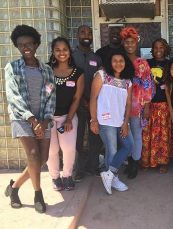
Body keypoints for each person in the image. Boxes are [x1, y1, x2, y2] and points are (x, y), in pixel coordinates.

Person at [4, 25, 56, 213]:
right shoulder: (12, 68)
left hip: (43, 119)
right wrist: (32, 119)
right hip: (22, 118)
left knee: (41, 159)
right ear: (17, 47)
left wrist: (45, 120)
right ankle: (38, 195)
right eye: (21, 45)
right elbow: (13, 96)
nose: (25, 47)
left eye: (29, 44)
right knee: (33, 155)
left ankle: (14, 187)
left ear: (36, 44)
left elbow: (51, 95)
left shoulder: (47, 70)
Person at [90, 51, 134, 194]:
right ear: (110, 62)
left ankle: (109, 174)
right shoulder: (101, 75)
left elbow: (128, 104)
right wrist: (94, 120)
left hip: (120, 121)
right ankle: (113, 179)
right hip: (105, 120)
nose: (118, 63)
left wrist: (126, 123)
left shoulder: (128, 82)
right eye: (115, 60)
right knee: (112, 150)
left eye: (121, 60)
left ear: (125, 63)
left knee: (129, 145)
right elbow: (93, 99)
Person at [47, 37, 84, 190]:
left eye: (65, 49)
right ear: (53, 52)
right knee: (51, 150)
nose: (61, 53)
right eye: (58, 49)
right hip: (48, 118)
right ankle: (55, 177)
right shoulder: (47, 69)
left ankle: (67, 175)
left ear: (70, 51)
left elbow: (77, 97)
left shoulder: (77, 73)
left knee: (68, 148)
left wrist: (69, 119)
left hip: (66, 118)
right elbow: (42, 94)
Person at [120, 27, 154, 179]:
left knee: (136, 134)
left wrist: (146, 105)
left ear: (136, 43)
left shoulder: (143, 64)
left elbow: (148, 85)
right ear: (123, 43)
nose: (129, 45)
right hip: (121, 104)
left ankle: (135, 163)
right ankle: (127, 160)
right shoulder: (119, 61)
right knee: (124, 135)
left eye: (132, 42)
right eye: (126, 42)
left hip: (137, 105)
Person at [141, 38, 173, 173]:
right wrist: (145, 104)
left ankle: (163, 162)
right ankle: (147, 161)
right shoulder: (147, 63)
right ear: (152, 49)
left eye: (161, 47)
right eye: (155, 47)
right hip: (149, 104)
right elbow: (143, 85)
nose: (158, 50)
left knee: (163, 134)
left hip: (164, 104)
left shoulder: (170, 64)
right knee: (147, 134)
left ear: (166, 49)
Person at [72, 25, 103, 180]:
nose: (86, 35)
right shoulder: (71, 56)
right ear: (77, 35)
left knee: (95, 137)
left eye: (90, 33)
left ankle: (93, 166)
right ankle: (79, 169)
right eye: (83, 32)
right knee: (77, 138)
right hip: (75, 105)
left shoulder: (96, 58)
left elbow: (101, 81)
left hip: (93, 105)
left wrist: (93, 100)